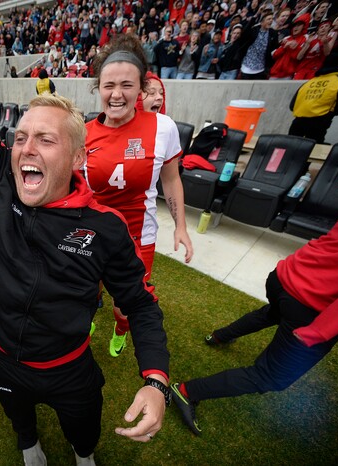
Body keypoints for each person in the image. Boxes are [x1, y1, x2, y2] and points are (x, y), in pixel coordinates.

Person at [0, 2, 171, 465]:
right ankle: (29, 443)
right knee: (19, 417)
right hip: (5, 360)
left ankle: (83, 454)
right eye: (21, 137)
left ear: (76, 161)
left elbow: (141, 305)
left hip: (71, 368)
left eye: (46, 139)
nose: (26, 147)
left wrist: (155, 380)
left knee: (84, 431)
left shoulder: (104, 228)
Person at [170, 195, 338, 436]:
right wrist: (320, 330)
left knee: (273, 313)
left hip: (286, 276)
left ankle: (218, 336)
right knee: (271, 376)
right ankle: (187, 391)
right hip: (313, 303)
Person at [84, 34, 193, 359]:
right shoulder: (85, 132)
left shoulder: (163, 127)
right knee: (88, 292)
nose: (117, 94)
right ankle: (85, 323)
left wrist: (181, 226)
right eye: (109, 85)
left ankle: (120, 331)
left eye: (126, 85)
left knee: (124, 304)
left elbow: (172, 181)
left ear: (141, 89)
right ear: (98, 87)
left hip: (137, 236)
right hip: (92, 233)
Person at [288, 54, 338, 144]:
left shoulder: (309, 82)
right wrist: (329, 113)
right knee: (313, 148)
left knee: (290, 146)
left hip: (298, 120)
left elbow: (293, 105)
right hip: (320, 121)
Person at [238, 11, 279, 79]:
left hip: (261, 69)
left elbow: (274, 49)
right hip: (247, 67)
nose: (271, 21)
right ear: (262, 22)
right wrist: (255, 15)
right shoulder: (254, 30)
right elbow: (244, 33)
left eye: (272, 19)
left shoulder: (273, 34)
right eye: (268, 19)